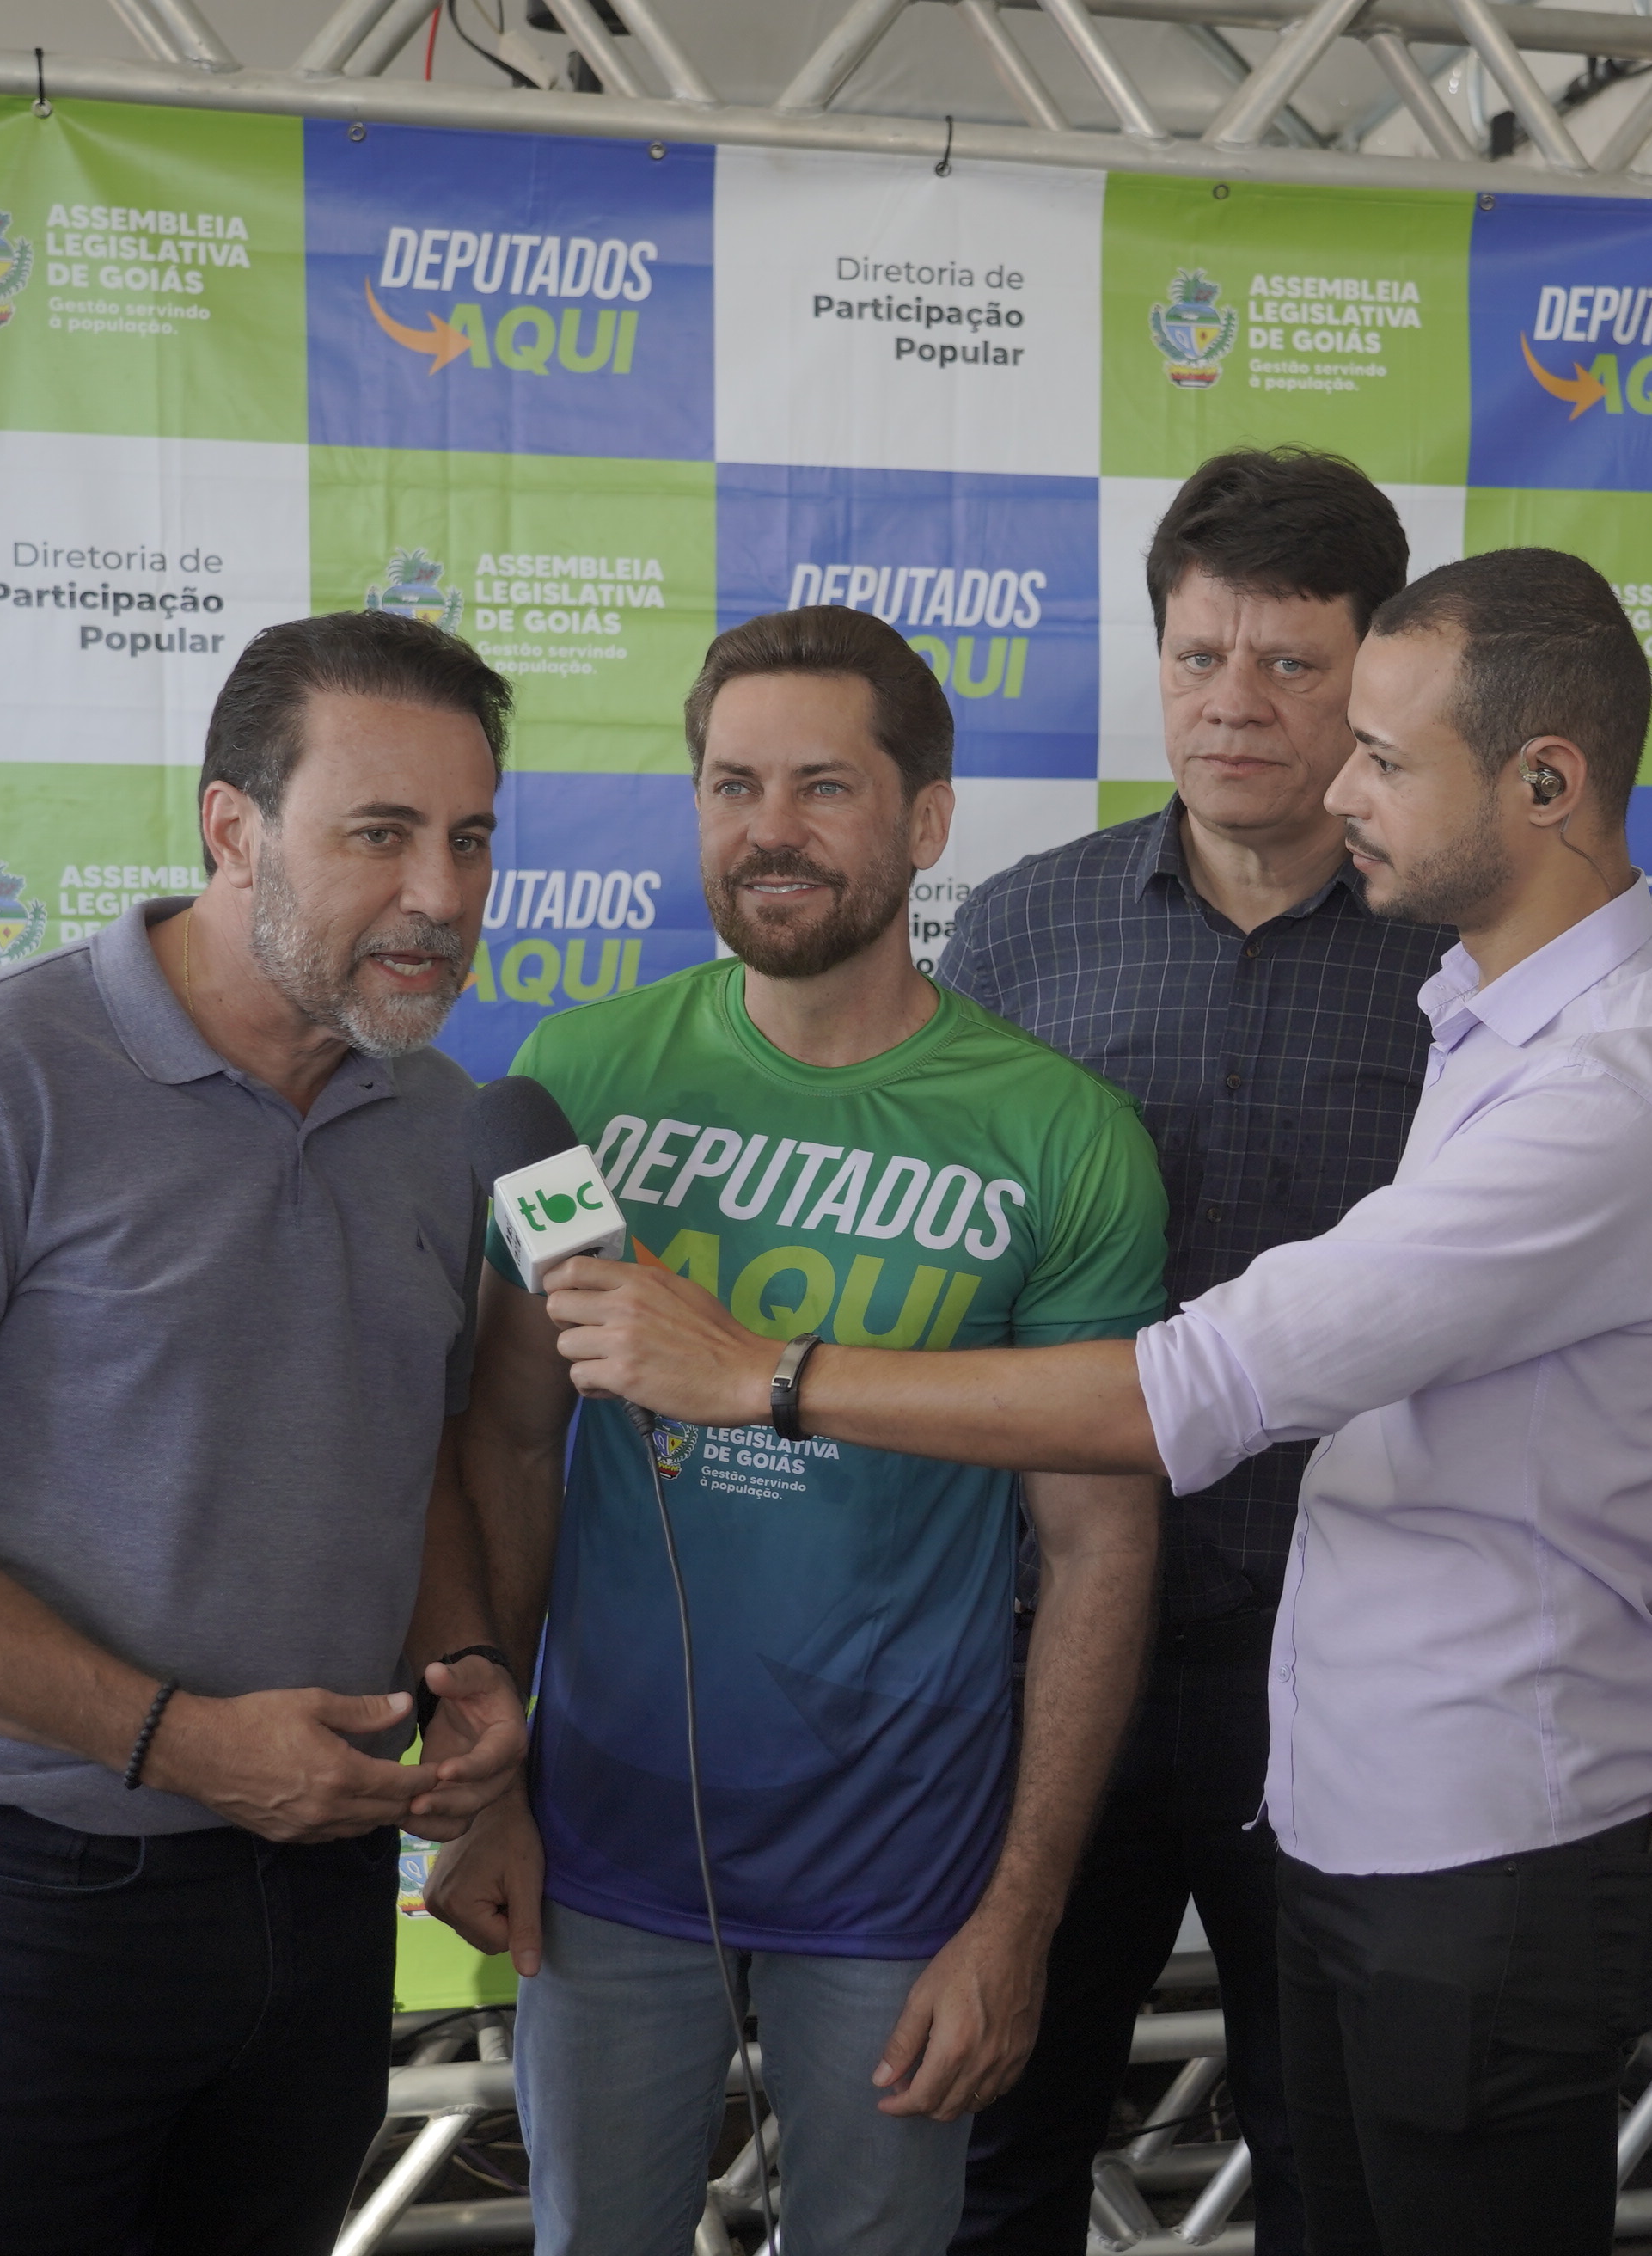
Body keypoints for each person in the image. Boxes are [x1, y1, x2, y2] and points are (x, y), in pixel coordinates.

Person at [543, 549, 1652, 2256]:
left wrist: (765, 1373)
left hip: (1493, 1827)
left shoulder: (1603, 1088)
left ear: (1547, 783)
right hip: (1373, 1794)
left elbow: (1200, 1385)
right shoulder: (1490, 1013)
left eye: (1381, 755)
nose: (1335, 788)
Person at [0, 613, 532, 2253]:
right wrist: (184, 1739)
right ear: (233, 828)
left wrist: (462, 1664)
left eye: (469, 838)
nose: (440, 894)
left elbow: (422, 1460)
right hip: (20, 1891)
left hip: (321, 1888)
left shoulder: (442, 1117)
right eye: (379, 833)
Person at [426, 605, 1172, 2256]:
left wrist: (1020, 1912)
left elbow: (1099, 1543)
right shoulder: (581, 1074)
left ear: (927, 817)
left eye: (824, 785)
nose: (769, 827)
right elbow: (503, 1445)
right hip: (604, 1836)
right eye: (732, 784)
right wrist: (488, 1782)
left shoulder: (1062, 1136)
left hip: (907, 1858)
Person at [935, 448, 1448, 2256]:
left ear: (1374, 674)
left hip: (1338, 1654)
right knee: (995, 2139)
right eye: (1199, 655)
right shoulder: (1018, 933)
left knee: (1334, 2153)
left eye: (1292, 664)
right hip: (1042, 1646)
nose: (1235, 703)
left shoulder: (1462, 960)